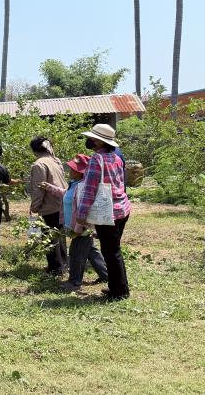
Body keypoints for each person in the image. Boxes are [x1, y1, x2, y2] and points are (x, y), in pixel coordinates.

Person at [77, 124, 132, 301]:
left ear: (100, 141)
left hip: (108, 213)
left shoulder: (96, 159)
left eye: (93, 139)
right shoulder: (116, 157)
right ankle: (117, 287)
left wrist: (82, 212)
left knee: (111, 252)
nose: (90, 141)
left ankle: (119, 292)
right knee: (114, 250)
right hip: (122, 209)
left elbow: (90, 188)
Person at [39, 154, 109, 292]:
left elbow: (83, 210)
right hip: (78, 226)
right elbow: (66, 194)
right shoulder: (75, 184)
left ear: (79, 172)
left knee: (76, 253)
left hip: (81, 227)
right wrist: (50, 188)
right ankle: (106, 275)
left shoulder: (83, 187)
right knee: (91, 251)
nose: (69, 170)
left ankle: (74, 282)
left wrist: (78, 228)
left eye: (72, 168)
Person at [28, 136, 69, 275]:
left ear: (34, 150)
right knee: (59, 234)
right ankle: (63, 264)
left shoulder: (39, 164)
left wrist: (35, 206)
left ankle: (56, 268)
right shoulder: (55, 160)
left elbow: (38, 187)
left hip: (49, 205)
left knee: (49, 237)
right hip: (61, 202)